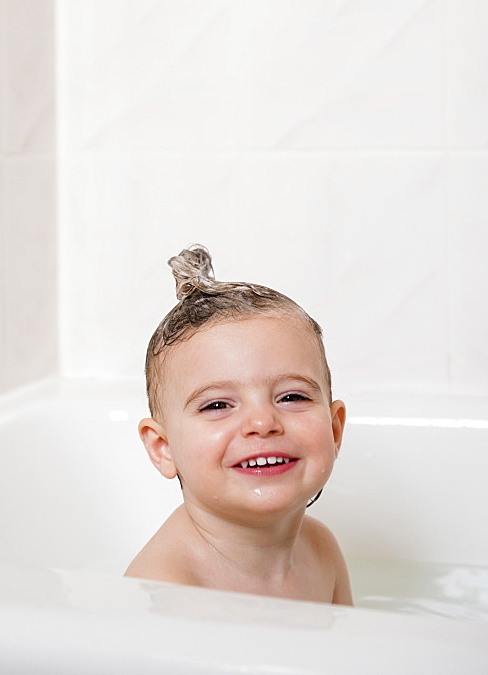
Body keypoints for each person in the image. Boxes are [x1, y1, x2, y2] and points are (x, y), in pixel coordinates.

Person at [124, 245, 352, 605]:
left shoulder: (321, 550)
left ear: (335, 430)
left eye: (292, 397)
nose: (262, 423)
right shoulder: (165, 590)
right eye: (217, 405)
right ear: (163, 448)